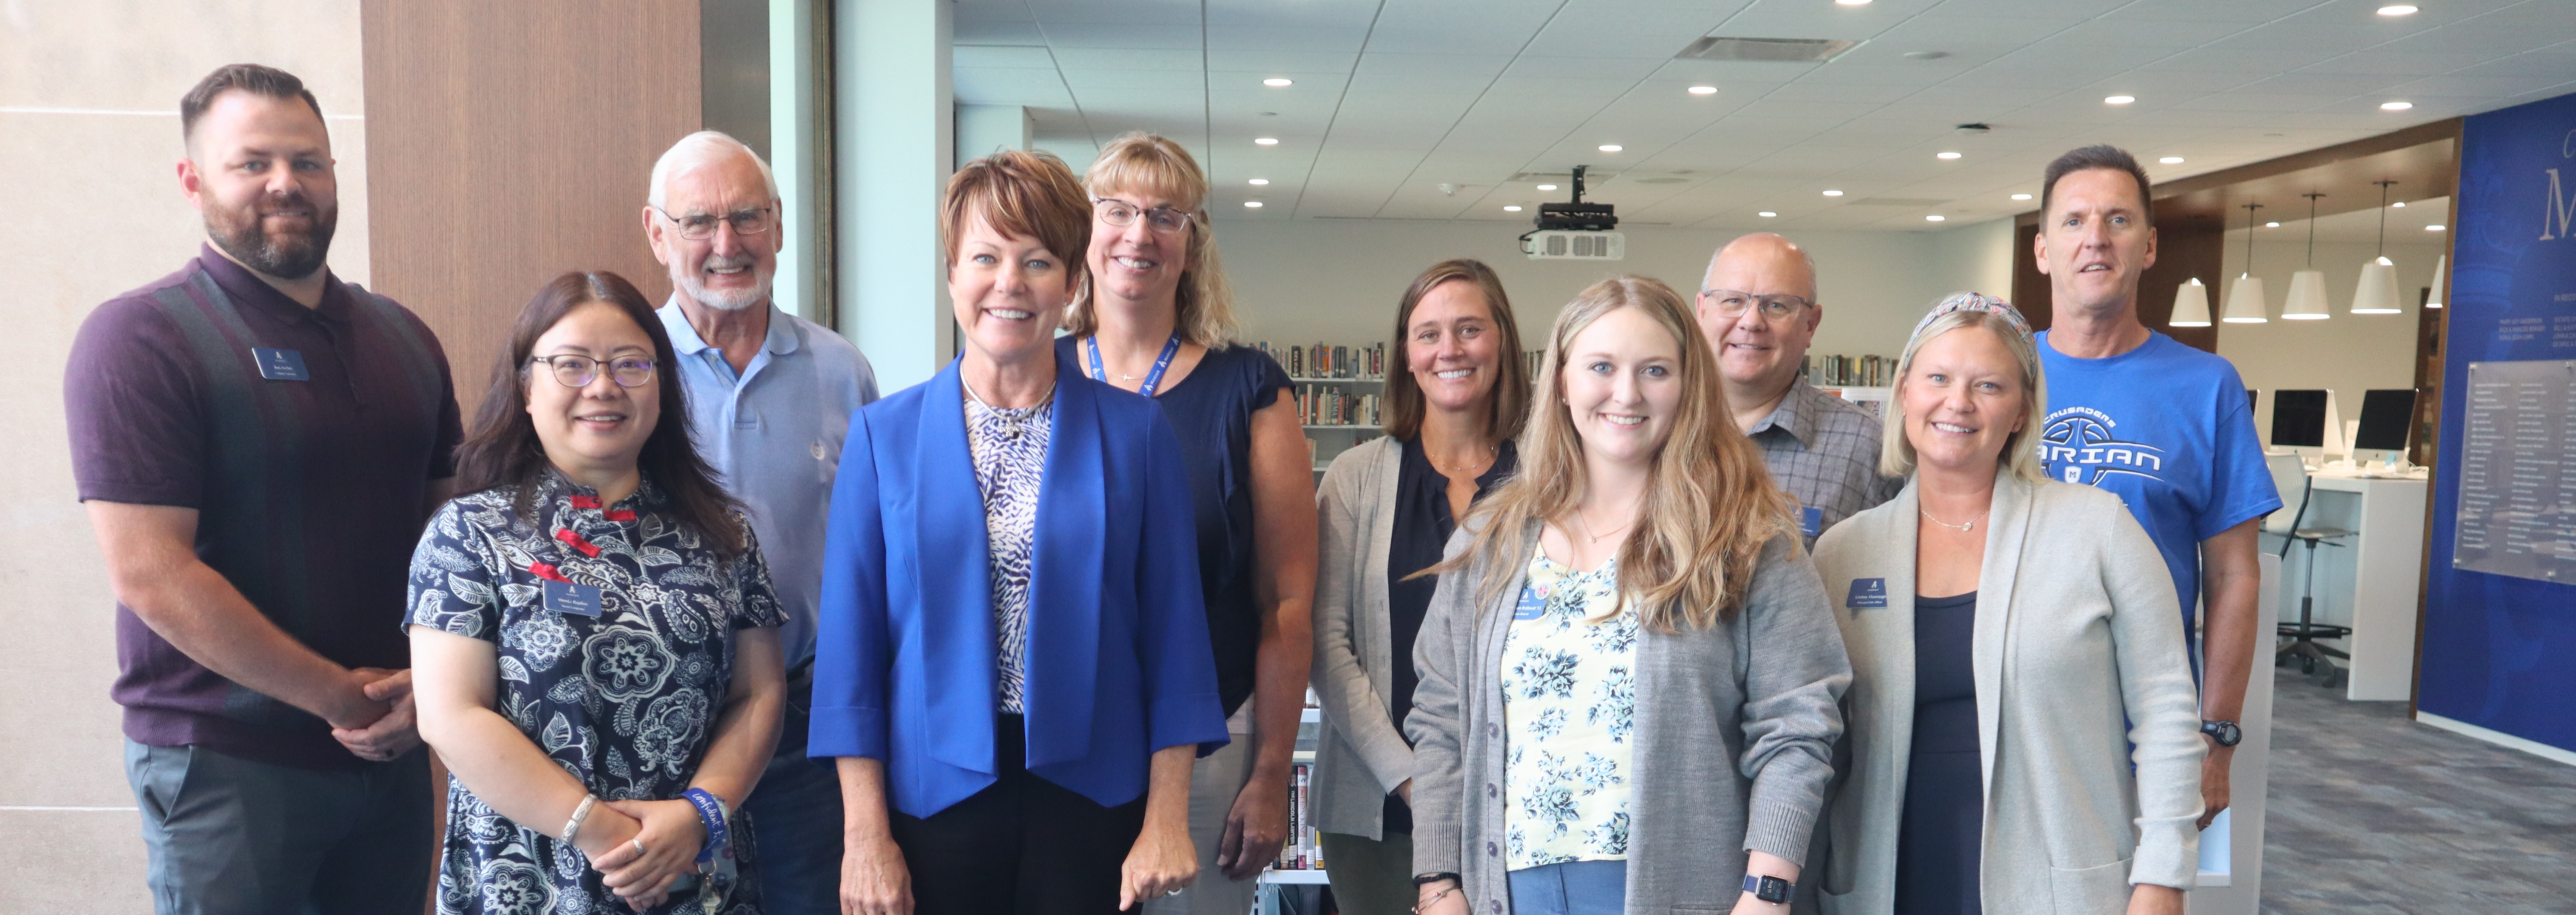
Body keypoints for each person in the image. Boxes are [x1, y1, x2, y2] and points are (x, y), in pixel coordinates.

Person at [65, 63, 459, 915]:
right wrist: (338, 696)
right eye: (253, 164)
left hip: (394, 755)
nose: (287, 183)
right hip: (228, 767)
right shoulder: (140, 339)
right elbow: (149, 572)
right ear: (193, 179)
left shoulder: (405, 337)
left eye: (308, 161)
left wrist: (429, 690)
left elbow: (454, 543)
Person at [814, 148, 1229, 915]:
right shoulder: (882, 437)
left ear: (1072, 284)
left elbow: (1176, 643)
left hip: (1094, 798)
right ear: (951, 276)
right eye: (985, 257)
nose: (1009, 283)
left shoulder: (1136, 435)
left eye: (1037, 261)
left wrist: (1167, 818)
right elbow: (851, 655)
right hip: (928, 799)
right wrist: (864, 837)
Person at [1409, 276, 1850, 915]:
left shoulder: (1745, 537)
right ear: (1561, 382)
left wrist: (1767, 891)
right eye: (1600, 367)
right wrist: (1438, 882)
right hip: (1506, 891)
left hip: (1684, 890)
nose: (1626, 393)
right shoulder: (1489, 542)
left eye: (1654, 370)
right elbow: (1441, 720)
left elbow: (1799, 725)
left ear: (1688, 385)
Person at [1809, 295, 2204, 915]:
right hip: (1885, 879)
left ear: (2021, 410)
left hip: (2058, 881)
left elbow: (2167, 711)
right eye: (1937, 378)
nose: (1957, 402)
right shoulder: (1843, 553)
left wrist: (2162, 874)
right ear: (1905, 392)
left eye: (1987, 385)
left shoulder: (2098, 530)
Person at [409, 270, 788, 914]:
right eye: (572, 365)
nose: (604, 386)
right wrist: (603, 832)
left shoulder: (722, 534)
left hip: (690, 871)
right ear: (528, 387)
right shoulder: (470, 532)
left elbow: (759, 693)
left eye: (631, 364)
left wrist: (698, 813)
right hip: (531, 876)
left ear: (662, 387)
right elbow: (449, 715)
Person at [1055, 131, 1317, 915]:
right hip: (1063, 734)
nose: (1139, 233)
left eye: (1166, 216)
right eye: (1117, 210)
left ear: (1191, 246)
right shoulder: (1035, 377)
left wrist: (1271, 772)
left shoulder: (1251, 389)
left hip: (1213, 736)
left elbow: (1287, 602)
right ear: (1085, 233)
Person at [644, 129, 881, 915]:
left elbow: (875, 556)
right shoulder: (625, 371)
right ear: (657, 234)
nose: (726, 244)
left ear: (778, 226)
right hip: (662, 724)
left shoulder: (842, 372)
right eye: (698, 224)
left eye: (747, 218)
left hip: (806, 732)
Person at [2029, 145, 2280, 827]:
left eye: (2117, 220)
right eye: (2074, 221)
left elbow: (2233, 577)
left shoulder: (2206, 386)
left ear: (2148, 246)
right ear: (2043, 249)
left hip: (2149, 713)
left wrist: (2217, 736)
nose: (2095, 240)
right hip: (2010, 703)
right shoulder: (1996, 376)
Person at [1311, 259, 1533, 915]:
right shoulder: (1353, 478)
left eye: (1470, 329)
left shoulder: (1552, 478)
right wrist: (1416, 782)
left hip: (1520, 808)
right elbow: (1325, 645)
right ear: (1406, 355)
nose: (1450, 350)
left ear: (1503, 344)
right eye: (1428, 333)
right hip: (1378, 811)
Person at [1695, 233, 1900, 549]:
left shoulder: (1870, 449)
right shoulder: (1654, 429)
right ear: (1702, 311)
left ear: (1811, 325)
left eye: (1776, 305)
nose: (1751, 321)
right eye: (1733, 301)